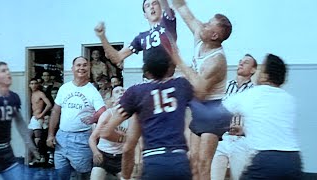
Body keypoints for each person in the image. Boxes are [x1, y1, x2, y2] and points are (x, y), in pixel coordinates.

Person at [101, 48, 193, 180]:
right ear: (170, 66)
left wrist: (125, 177)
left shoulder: (137, 93)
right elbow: (203, 90)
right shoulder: (182, 85)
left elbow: (108, 133)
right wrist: (179, 60)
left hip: (153, 161)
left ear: (146, 72)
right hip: (179, 160)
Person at [171, 0, 233, 179]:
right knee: (194, 161)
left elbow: (199, 92)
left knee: (204, 163)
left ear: (214, 35)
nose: (202, 24)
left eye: (207, 24)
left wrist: (179, 61)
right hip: (199, 108)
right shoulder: (201, 35)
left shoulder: (216, 61)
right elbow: (183, 9)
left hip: (213, 110)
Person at [223, 54, 301, 180]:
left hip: (266, 160)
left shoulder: (254, 94)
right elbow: (273, 128)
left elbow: (217, 112)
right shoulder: (289, 99)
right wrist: (245, 130)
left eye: (260, 68)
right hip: (293, 161)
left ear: (265, 76)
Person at [46, 56, 105, 180]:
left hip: (82, 139)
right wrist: (51, 134)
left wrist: (93, 118)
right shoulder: (64, 88)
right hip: (61, 137)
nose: (81, 68)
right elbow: (56, 111)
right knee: (62, 175)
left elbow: (102, 111)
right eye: (78, 65)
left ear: (88, 68)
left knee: (82, 176)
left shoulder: (92, 90)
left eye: (84, 65)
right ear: (72, 68)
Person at [211, 54, 257, 180]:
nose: (241, 64)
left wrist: (244, 130)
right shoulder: (225, 87)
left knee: (239, 177)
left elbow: (256, 118)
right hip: (222, 139)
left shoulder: (255, 92)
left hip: (241, 140)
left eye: (246, 62)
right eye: (240, 61)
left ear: (253, 70)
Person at [94, 0, 176, 67]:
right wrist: (102, 37)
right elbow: (117, 57)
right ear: (145, 15)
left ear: (161, 9)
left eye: (154, 3)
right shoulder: (141, 37)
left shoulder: (168, 24)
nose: (151, 7)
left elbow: (167, 7)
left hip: (169, 77)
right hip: (150, 81)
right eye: (147, 6)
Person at [0, 62, 40, 179]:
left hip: (6, 151)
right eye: (3, 71)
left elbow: (20, 122)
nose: (8, 73)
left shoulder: (13, 97)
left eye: (8, 70)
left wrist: (31, 145)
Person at [89, 86, 129, 180]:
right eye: (117, 92)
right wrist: (95, 152)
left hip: (121, 156)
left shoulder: (132, 116)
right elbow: (92, 138)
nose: (120, 93)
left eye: (123, 91)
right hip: (104, 154)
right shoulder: (108, 114)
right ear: (112, 99)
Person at [28, 78, 53, 166]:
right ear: (29, 85)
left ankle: (41, 157)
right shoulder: (31, 94)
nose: (33, 85)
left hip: (38, 118)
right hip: (33, 118)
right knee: (29, 137)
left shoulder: (40, 93)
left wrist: (42, 115)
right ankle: (37, 157)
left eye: (35, 83)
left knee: (37, 138)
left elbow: (49, 104)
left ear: (38, 85)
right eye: (32, 83)